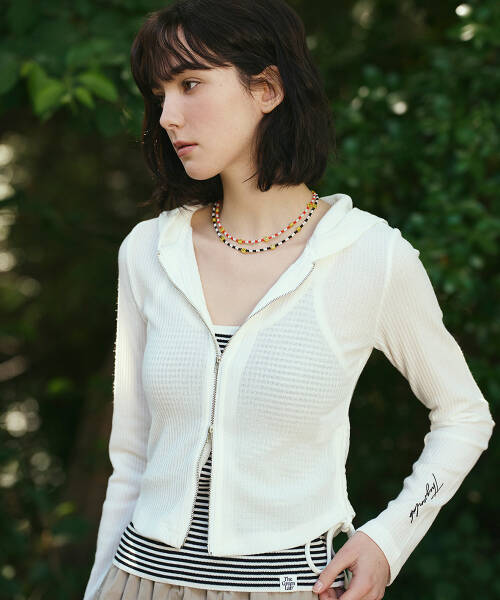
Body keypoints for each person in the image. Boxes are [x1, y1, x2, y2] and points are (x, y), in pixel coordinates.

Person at [83, 1, 495, 599]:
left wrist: (388, 540)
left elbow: (464, 415)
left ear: (267, 89)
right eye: (159, 94)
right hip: (136, 583)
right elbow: (130, 458)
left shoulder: (368, 254)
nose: (168, 116)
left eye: (190, 84)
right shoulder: (149, 251)